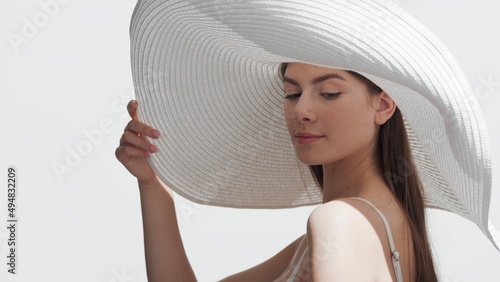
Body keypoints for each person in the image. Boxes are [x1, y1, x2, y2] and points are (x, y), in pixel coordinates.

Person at [117, 0, 499, 281]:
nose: (302, 110)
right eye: (292, 92)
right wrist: (153, 186)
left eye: (329, 93)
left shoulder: (339, 225)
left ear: (383, 105)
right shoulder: (369, 226)